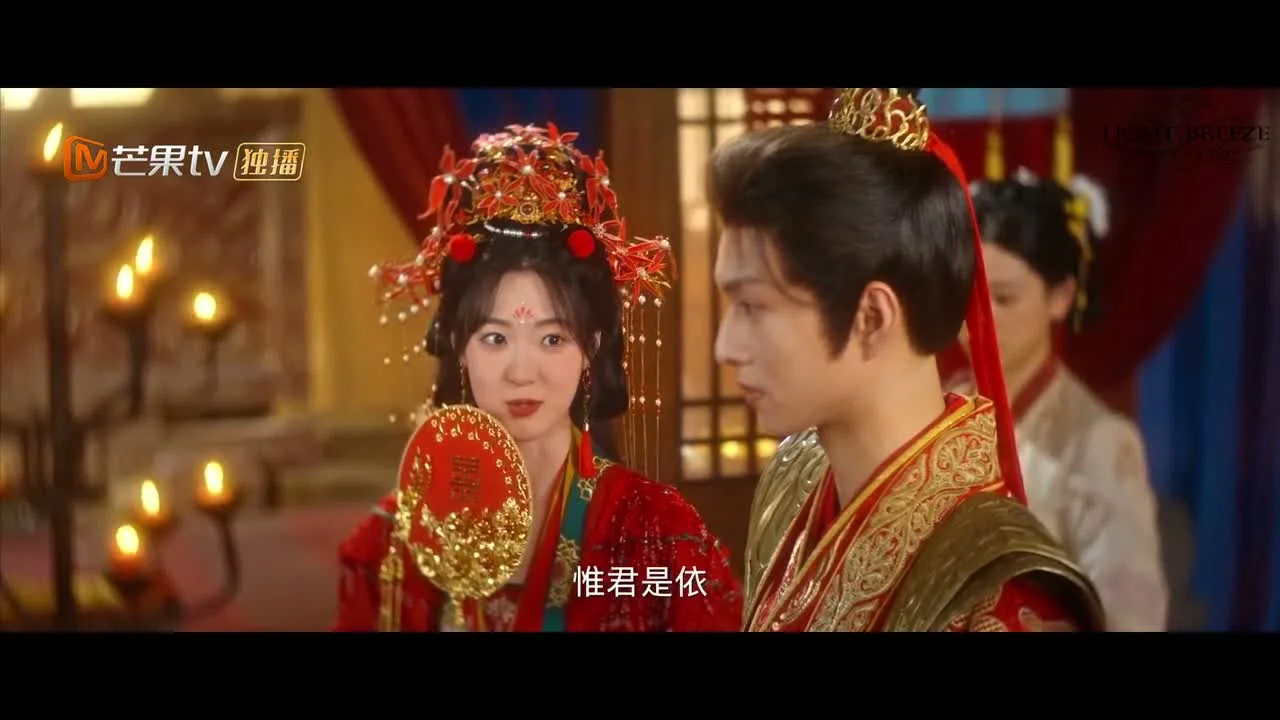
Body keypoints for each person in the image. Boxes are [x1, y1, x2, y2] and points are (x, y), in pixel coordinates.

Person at [710, 88, 1105, 632]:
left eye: (753, 307)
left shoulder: (1004, 605)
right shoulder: (794, 476)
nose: (726, 347)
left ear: (872, 316)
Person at [332, 123, 741, 632]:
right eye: (495, 338)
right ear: (459, 347)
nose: (522, 373)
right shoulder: (396, 541)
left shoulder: (658, 532)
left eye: (552, 339)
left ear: (591, 349)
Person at [962, 162, 1167, 631]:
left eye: (1005, 298)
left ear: (1060, 297)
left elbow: (1131, 617)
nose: (982, 317)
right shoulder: (935, 411)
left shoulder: (1097, 441)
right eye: (969, 295)